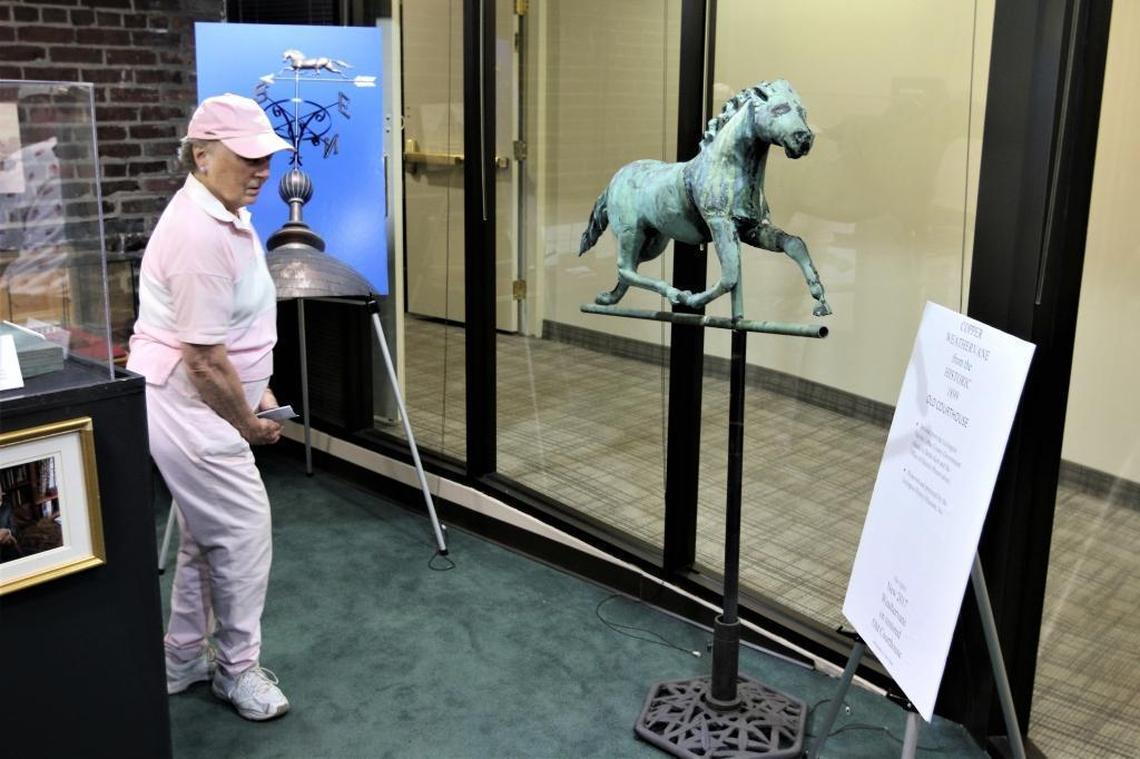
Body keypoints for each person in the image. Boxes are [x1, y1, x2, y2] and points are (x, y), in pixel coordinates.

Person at [126, 93, 293, 721]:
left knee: (204, 536)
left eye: (265, 158)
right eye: (247, 157)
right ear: (202, 155)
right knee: (244, 535)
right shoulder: (199, 231)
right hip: (190, 401)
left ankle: (180, 660)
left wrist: (259, 391)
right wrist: (247, 421)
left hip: (207, 398)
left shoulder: (225, 209)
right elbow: (201, 359)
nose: (261, 171)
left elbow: (236, 330)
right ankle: (237, 671)